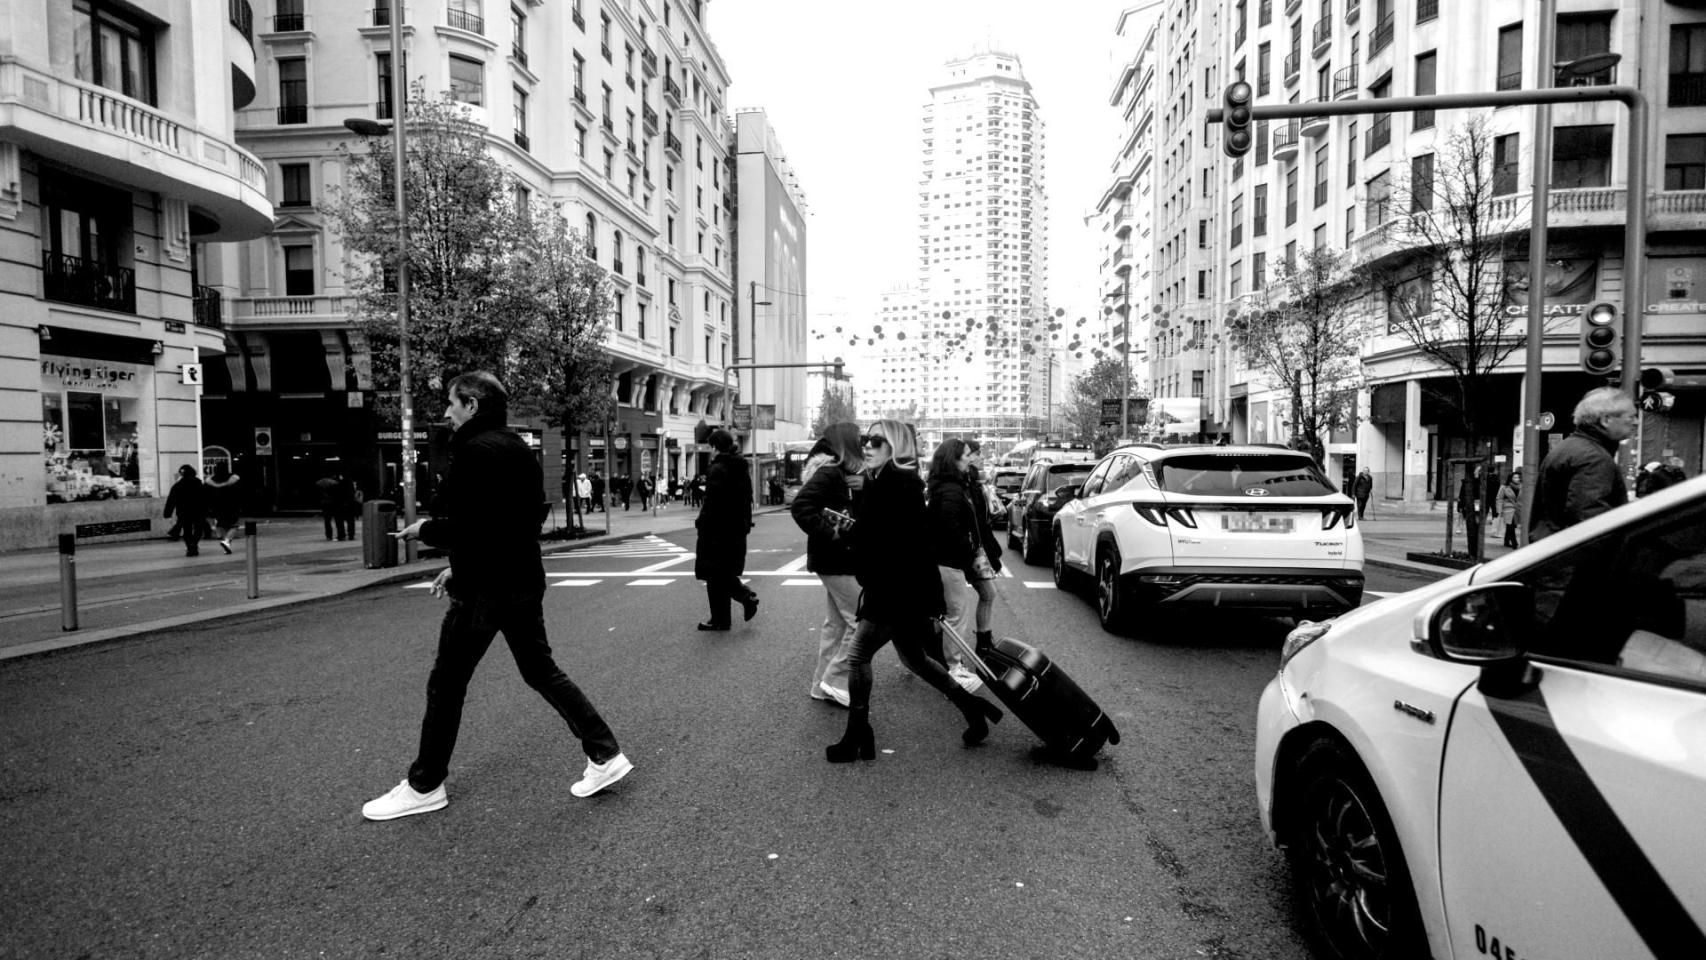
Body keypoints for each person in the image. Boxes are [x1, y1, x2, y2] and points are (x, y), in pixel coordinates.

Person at [366, 371, 630, 821]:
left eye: (451, 403)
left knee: (446, 684)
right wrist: (457, 564)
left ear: (471, 404)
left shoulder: (471, 451)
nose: (446, 412)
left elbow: (474, 527)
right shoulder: (519, 450)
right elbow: (513, 524)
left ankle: (424, 784)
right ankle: (605, 753)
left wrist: (427, 530)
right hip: (522, 580)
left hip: (485, 591)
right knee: (541, 670)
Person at [826, 420, 1003, 764]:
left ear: (895, 446)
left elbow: (906, 548)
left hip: (894, 592)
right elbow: (886, 538)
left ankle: (857, 735)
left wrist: (851, 537)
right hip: (902, 591)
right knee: (917, 660)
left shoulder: (896, 485)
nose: (867, 445)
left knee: (859, 655)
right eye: (865, 439)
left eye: (876, 440)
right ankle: (973, 710)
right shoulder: (886, 482)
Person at [789, 422, 864, 705]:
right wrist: (830, 532)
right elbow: (800, 507)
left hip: (834, 558)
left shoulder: (839, 472)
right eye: (859, 439)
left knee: (836, 626)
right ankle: (833, 680)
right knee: (861, 620)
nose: (864, 443)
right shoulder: (831, 472)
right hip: (836, 558)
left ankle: (821, 685)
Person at [1529, 386, 1637, 542]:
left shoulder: (1568, 447)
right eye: (1631, 417)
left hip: (1551, 548)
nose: (1635, 422)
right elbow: (1589, 517)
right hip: (1573, 559)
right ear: (1606, 420)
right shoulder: (1595, 458)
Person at [926, 439, 991, 693]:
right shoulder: (951, 491)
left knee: (946, 615)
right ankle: (954, 668)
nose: (969, 459)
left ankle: (940, 661)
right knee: (956, 616)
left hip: (945, 561)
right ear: (953, 459)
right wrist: (968, 546)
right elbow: (949, 528)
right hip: (949, 562)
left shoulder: (944, 487)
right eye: (965, 455)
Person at [694, 430, 758, 631]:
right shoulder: (740, 468)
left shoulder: (718, 469)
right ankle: (722, 618)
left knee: (715, 574)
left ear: (715, 447)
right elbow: (747, 499)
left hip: (716, 532)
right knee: (722, 572)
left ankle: (740, 602)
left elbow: (712, 503)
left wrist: (701, 522)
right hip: (736, 530)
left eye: (711, 446)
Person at [961, 440, 1005, 660]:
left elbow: (981, 518)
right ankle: (982, 644)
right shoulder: (965, 481)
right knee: (987, 593)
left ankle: (984, 642)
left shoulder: (974, 480)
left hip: (976, 546)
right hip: (971, 548)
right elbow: (974, 520)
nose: (979, 457)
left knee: (987, 593)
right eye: (974, 453)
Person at [163, 464, 206, 557]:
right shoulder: (198, 483)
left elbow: (171, 500)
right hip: (198, 510)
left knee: (187, 530)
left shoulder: (177, 485)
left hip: (183, 511)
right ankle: (194, 544)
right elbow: (204, 498)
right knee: (198, 528)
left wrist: (167, 512)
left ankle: (190, 547)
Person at [205, 462, 243, 554]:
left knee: (222, 525)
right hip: (232, 506)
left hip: (217, 506)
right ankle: (227, 541)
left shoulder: (210, 480)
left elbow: (206, 495)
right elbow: (240, 493)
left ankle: (227, 544)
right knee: (234, 525)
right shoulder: (234, 479)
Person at [316, 472, 348, 541]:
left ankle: (329, 536)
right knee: (338, 519)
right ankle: (341, 535)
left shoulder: (318, 483)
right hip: (334, 502)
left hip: (324, 503)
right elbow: (338, 494)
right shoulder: (334, 483)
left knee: (327, 520)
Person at [1496, 468, 1523, 549]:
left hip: (1518, 509)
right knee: (1510, 525)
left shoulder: (1522, 486)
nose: (1517, 479)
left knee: (1511, 526)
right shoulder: (1504, 487)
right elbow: (1499, 498)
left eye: (1518, 477)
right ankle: (1514, 543)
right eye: (1515, 477)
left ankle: (1506, 541)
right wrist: (1499, 510)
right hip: (1508, 508)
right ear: (1510, 478)